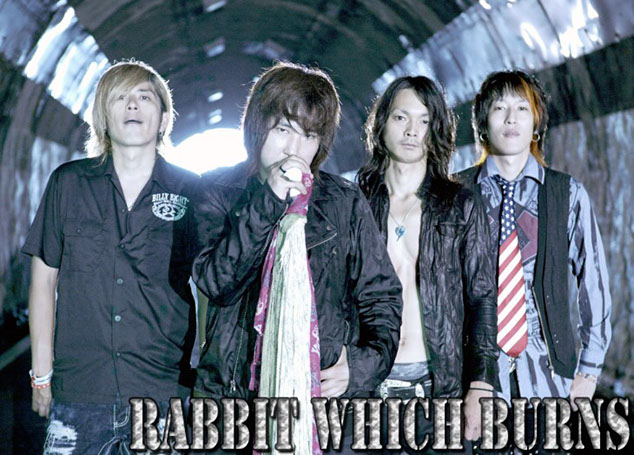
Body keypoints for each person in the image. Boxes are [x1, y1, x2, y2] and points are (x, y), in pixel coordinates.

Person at [190, 61, 403, 453]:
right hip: (233, 402)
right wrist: (269, 199)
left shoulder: (344, 201)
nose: (294, 148)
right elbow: (218, 282)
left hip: (322, 407)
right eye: (283, 129)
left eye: (309, 135)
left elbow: (382, 296)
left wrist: (359, 368)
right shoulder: (216, 190)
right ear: (257, 127)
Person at [23, 59, 198, 454]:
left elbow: (213, 285)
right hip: (80, 392)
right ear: (103, 116)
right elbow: (43, 281)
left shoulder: (191, 191)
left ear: (164, 118)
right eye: (120, 97)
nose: (132, 105)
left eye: (144, 97)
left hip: (162, 393)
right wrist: (41, 375)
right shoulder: (67, 184)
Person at [457, 69, 612, 452]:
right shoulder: (457, 193)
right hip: (474, 384)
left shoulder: (567, 195)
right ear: (482, 123)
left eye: (522, 108)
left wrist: (589, 373)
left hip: (549, 381)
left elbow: (594, 284)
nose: (511, 118)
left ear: (536, 122)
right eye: (500, 108)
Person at [357, 76, 499, 452]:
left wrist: (481, 383)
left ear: (436, 129)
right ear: (381, 124)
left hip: (438, 390)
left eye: (424, 120)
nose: (412, 131)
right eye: (401, 117)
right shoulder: (356, 203)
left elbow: (482, 296)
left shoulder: (462, 205)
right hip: (370, 390)